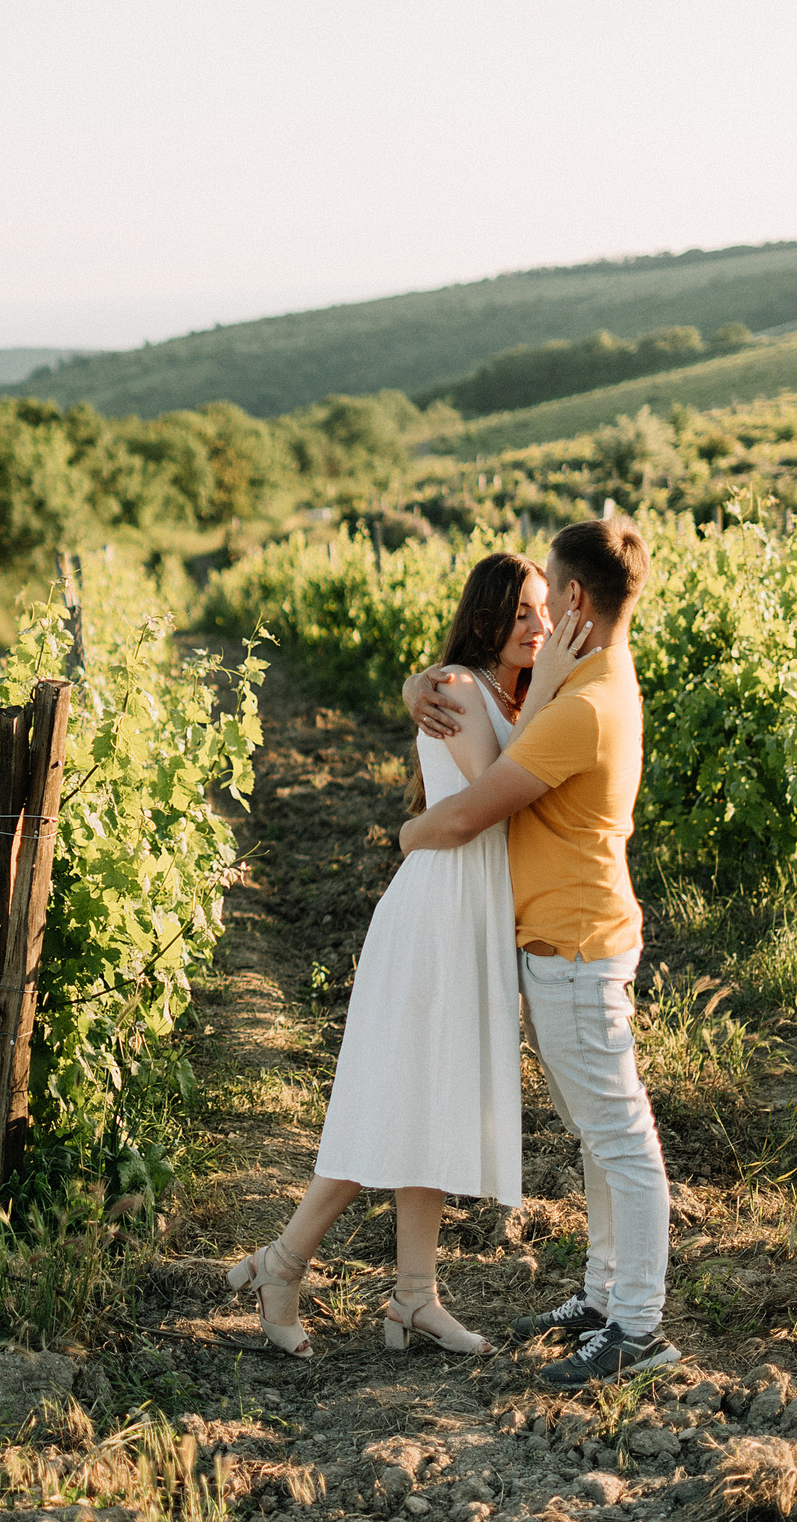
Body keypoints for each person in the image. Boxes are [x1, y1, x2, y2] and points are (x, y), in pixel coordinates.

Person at [227, 550, 589, 1358]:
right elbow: (494, 786)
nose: (538, 627)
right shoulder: (458, 687)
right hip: (435, 911)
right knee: (392, 1102)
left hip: (477, 914)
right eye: (523, 613)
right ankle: (282, 1263)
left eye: (544, 612)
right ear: (488, 617)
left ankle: (413, 1298)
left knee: (436, 1097)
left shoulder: (513, 692)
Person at [398, 517, 679, 1389]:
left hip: (577, 949)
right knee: (598, 1137)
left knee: (621, 1138)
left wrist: (407, 834)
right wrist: (422, 683)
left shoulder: (582, 706)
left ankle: (637, 1324)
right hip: (567, 943)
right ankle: (602, 1295)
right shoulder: (593, 683)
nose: (544, 608)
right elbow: (480, 698)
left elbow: (475, 808)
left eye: (552, 594)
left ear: (579, 601)